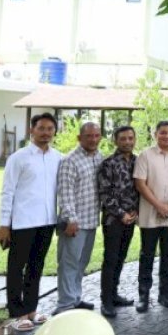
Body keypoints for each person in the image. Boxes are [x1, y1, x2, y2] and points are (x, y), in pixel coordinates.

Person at [0, 113, 61, 332]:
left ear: (54, 131)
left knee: (36, 266)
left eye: (50, 128)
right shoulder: (19, 158)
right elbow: (7, 192)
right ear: (31, 130)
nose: (45, 132)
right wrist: (4, 224)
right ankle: (17, 312)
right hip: (22, 221)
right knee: (16, 267)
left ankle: (31, 309)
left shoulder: (58, 158)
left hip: (47, 221)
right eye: (41, 128)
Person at [134, 121, 168, 312]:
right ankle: (143, 295)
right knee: (147, 255)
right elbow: (140, 184)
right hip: (150, 213)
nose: (167, 136)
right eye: (163, 133)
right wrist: (159, 206)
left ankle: (165, 293)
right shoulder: (145, 155)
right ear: (156, 134)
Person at [55, 122, 103, 314]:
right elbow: (65, 193)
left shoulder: (98, 157)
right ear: (79, 138)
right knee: (69, 263)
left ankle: (75, 298)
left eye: (97, 135)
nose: (93, 139)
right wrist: (70, 220)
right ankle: (65, 305)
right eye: (89, 136)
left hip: (91, 220)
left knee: (81, 262)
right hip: (74, 223)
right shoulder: (70, 160)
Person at [97, 125, 139, 318]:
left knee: (121, 258)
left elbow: (140, 188)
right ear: (116, 141)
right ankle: (106, 301)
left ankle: (114, 295)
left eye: (130, 138)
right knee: (111, 259)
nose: (127, 142)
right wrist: (122, 213)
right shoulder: (108, 164)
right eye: (123, 138)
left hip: (131, 219)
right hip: (113, 219)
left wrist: (135, 212)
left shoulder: (138, 161)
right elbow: (104, 194)